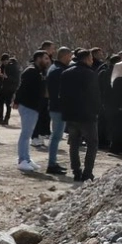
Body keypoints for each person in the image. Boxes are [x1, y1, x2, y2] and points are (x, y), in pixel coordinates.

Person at [57, 49, 101, 182]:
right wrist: (97, 111)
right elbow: (95, 95)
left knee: (74, 144)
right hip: (87, 115)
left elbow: (62, 95)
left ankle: (76, 171)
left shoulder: (65, 73)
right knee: (92, 144)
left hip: (71, 115)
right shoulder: (90, 74)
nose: (92, 61)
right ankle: (87, 173)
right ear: (87, 59)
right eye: (91, 58)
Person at [14, 50, 50, 173]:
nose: (48, 61)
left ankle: (27, 159)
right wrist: (16, 101)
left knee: (28, 135)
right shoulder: (31, 71)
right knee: (25, 135)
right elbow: (21, 88)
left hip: (34, 107)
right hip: (28, 106)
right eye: (45, 58)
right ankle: (22, 160)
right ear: (38, 59)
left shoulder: (40, 72)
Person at [44, 46, 72, 175]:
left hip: (56, 106)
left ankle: (53, 162)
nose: (71, 59)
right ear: (65, 56)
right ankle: (51, 164)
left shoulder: (54, 68)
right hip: (58, 107)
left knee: (56, 136)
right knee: (56, 137)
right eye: (70, 56)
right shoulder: (58, 71)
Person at [0, 54, 19, 125]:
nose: (3, 63)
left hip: (10, 88)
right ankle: (0, 117)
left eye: (4, 62)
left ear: (7, 60)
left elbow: (16, 79)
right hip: (3, 87)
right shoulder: (3, 66)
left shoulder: (13, 67)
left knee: (8, 104)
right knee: (0, 102)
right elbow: (0, 76)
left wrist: (7, 77)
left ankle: (6, 118)